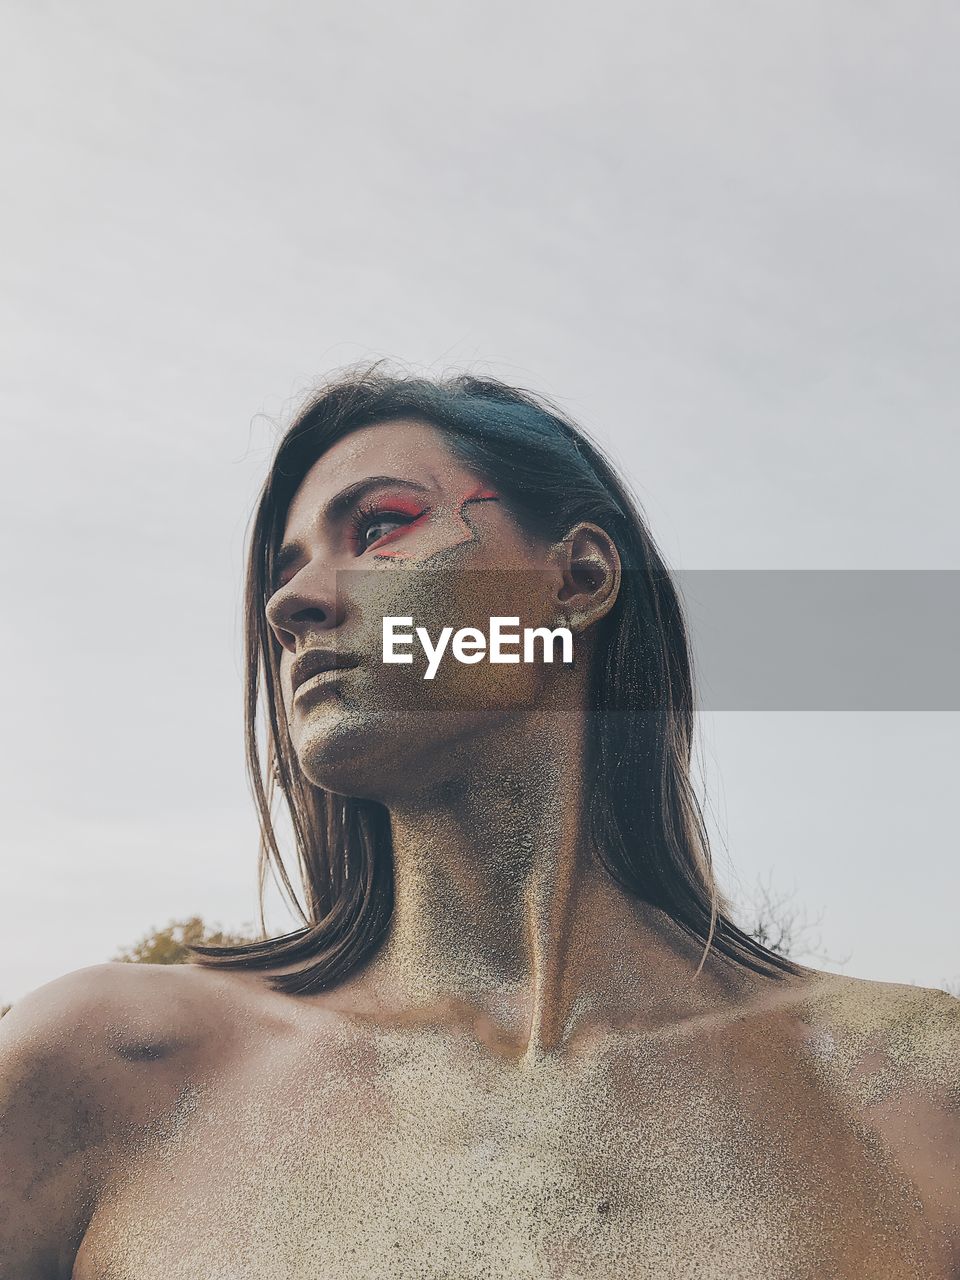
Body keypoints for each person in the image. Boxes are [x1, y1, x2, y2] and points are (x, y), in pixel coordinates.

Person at [1, 368, 957, 1279]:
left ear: (577, 579)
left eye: (379, 527)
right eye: (284, 570)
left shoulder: (913, 1088)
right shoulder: (106, 1073)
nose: (290, 604)